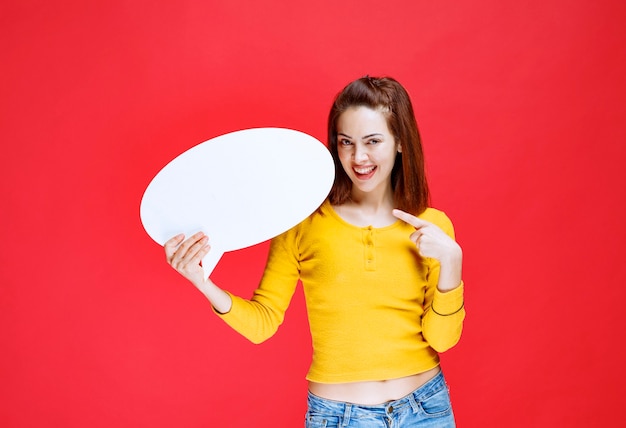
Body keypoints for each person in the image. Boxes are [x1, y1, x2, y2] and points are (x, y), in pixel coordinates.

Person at [164, 76, 465, 427]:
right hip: (339, 417)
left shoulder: (432, 226)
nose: (359, 157)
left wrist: (452, 263)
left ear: (400, 142)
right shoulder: (304, 223)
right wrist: (203, 283)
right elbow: (263, 323)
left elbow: (442, 341)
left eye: (373, 141)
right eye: (346, 142)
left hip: (426, 409)